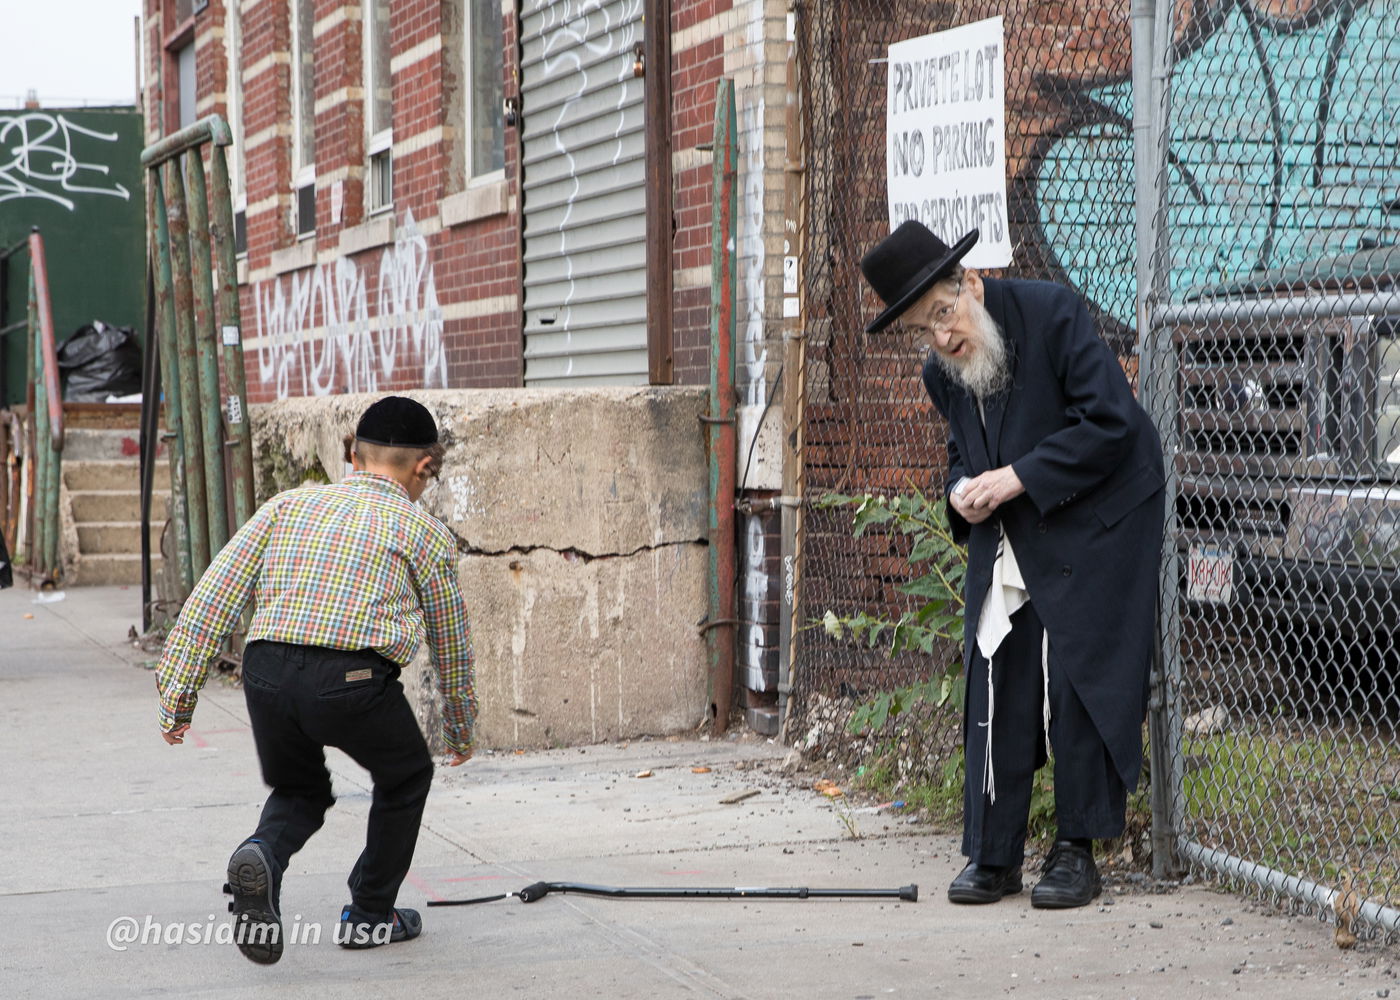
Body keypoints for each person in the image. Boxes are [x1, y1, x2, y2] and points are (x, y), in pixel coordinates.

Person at [860, 221, 1165, 909]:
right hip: (1016, 517)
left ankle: (1076, 848)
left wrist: (1018, 476)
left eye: (943, 314)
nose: (941, 338)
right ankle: (993, 853)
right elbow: (961, 455)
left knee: (1078, 667)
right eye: (923, 329)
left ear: (969, 283)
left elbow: (1112, 422)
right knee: (995, 667)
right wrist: (960, 493)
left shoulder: (1051, 313)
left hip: (1104, 510)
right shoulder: (943, 372)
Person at [156, 395, 476, 962]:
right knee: (405, 779)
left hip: (266, 670)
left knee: (301, 789)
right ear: (425, 466)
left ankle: (262, 853)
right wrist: (459, 727)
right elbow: (450, 639)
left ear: (352, 454)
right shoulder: (423, 531)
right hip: (352, 678)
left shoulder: (287, 508)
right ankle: (371, 915)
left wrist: (177, 697)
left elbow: (212, 597)